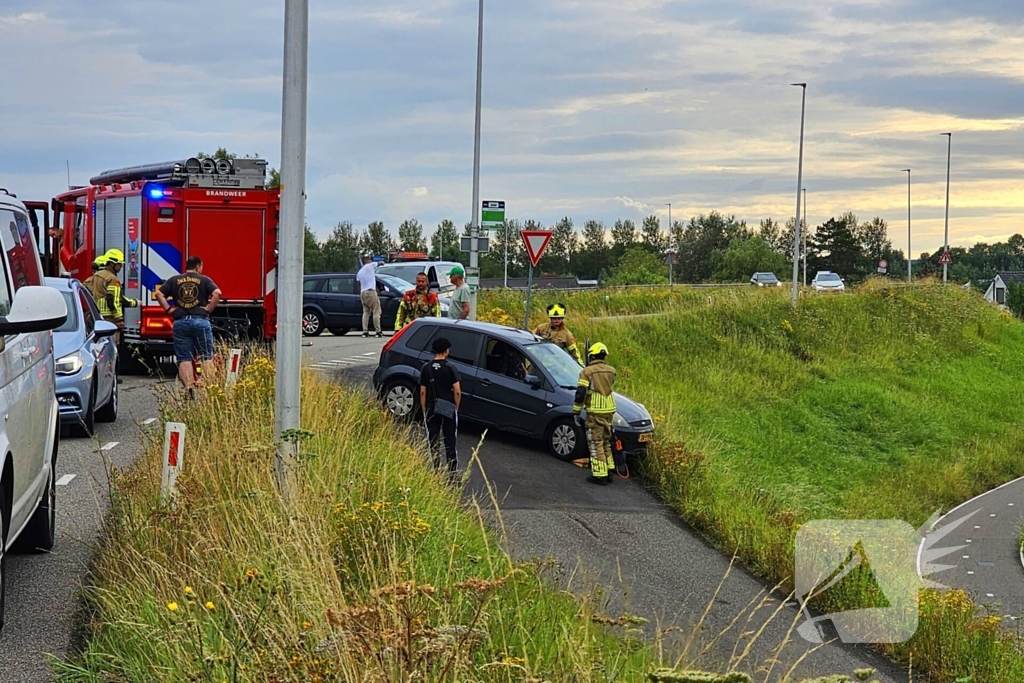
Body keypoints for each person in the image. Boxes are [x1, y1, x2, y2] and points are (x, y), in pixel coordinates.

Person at [155, 255, 223, 397]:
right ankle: (209, 390)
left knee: (184, 358)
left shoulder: (174, 280)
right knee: (206, 356)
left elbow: (159, 294)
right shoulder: (204, 280)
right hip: (200, 321)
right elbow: (217, 293)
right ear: (198, 266)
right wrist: (209, 308)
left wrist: (168, 309)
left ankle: (188, 388)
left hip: (181, 322)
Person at [573, 342, 617, 485]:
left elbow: (581, 393)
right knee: (605, 441)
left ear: (592, 356)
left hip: (595, 411)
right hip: (609, 409)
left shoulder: (587, 372)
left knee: (595, 441)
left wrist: (576, 410)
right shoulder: (611, 371)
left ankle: (600, 475)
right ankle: (609, 469)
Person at [420, 337, 462, 477]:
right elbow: (457, 391)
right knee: (450, 439)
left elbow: (423, 391)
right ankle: (452, 472)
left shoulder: (426, 368)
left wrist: (424, 408)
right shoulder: (450, 367)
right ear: (446, 351)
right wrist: (456, 407)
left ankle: (435, 471)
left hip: (431, 405)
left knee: (433, 439)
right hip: (447, 405)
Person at [92, 249, 138, 332]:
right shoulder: (112, 279)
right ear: (112, 264)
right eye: (119, 264)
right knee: (112, 339)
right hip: (109, 317)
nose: (121, 266)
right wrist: (119, 319)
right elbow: (113, 300)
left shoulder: (96, 275)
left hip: (96, 315)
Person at [356, 256, 382, 337]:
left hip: (363, 292)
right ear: (368, 261)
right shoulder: (370, 265)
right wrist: (382, 262)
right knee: (376, 311)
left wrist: (361, 293)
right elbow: (380, 263)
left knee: (366, 312)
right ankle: (378, 331)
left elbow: (358, 284)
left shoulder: (359, 272)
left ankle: (365, 331)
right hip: (371, 291)